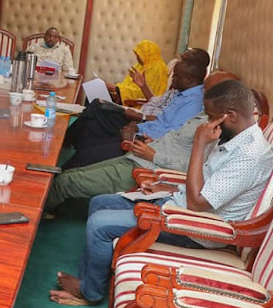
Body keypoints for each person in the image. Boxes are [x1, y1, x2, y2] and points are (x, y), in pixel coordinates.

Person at [49, 79, 273, 306]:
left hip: (196, 229)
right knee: (100, 202)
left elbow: (197, 204)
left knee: (99, 225)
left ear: (231, 116)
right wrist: (168, 187)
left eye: (210, 115)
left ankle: (90, 293)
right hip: (179, 202)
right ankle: (89, 280)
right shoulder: (233, 137)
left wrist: (198, 143)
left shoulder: (249, 156)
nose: (206, 122)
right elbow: (206, 182)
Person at [44, 71, 239, 213]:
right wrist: (151, 142)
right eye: (204, 89)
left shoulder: (217, 128)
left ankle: (29, 227)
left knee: (64, 182)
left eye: (208, 90)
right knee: (68, 174)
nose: (202, 94)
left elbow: (198, 168)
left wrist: (154, 154)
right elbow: (174, 136)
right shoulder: (204, 114)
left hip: (147, 168)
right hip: (140, 154)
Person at [63, 59, 205, 169]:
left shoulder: (193, 102)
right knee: (94, 118)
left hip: (144, 140)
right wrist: (137, 126)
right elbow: (162, 120)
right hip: (140, 127)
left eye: (176, 76)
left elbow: (170, 133)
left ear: (188, 80)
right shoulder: (182, 94)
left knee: (94, 124)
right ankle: (68, 148)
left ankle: (67, 155)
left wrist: (138, 126)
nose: (172, 79)